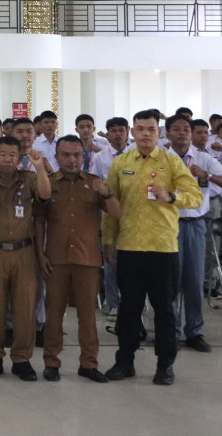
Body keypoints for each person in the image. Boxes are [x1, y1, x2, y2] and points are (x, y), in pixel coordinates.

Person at [103, 110, 202, 386]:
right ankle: (125, 361)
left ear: (159, 133)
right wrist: (108, 241)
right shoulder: (121, 164)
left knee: (165, 309)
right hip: (130, 247)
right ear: (132, 133)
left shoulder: (171, 162)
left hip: (163, 248)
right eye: (140, 129)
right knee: (129, 309)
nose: (145, 134)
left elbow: (195, 197)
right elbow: (110, 206)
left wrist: (171, 196)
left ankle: (165, 365)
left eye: (150, 129)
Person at [34, 135, 121, 384]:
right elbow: (39, 221)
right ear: (57, 157)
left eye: (76, 155)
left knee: (87, 316)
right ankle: (51, 362)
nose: (72, 160)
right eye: (66, 155)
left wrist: (107, 194)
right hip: (56, 259)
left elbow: (117, 213)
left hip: (87, 260)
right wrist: (40, 254)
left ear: (84, 156)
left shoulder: (95, 183)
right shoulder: (48, 184)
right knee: (53, 315)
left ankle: (89, 364)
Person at [0, 136, 50, 381]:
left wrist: (39, 167)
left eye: (13, 155)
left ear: (19, 157)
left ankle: (22, 359)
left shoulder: (29, 179)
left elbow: (45, 195)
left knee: (25, 308)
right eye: (3, 154)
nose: (7, 159)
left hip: (23, 252)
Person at [164, 115, 222, 353]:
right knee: (170, 281)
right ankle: (171, 331)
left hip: (195, 224)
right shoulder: (161, 159)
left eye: (186, 129)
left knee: (194, 280)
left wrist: (207, 175)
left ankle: (194, 331)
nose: (182, 133)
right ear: (168, 134)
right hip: (168, 225)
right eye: (176, 129)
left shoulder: (204, 158)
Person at [91, 117, 130, 322]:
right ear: (107, 134)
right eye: (113, 131)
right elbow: (94, 183)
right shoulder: (100, 157)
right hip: (109, 213)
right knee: (111, 258)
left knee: (132, 259)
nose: (118, 134)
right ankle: (113, 303)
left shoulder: (137, 153)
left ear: (128, 131)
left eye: (121, 130)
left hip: (133, 212)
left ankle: (132, 302)